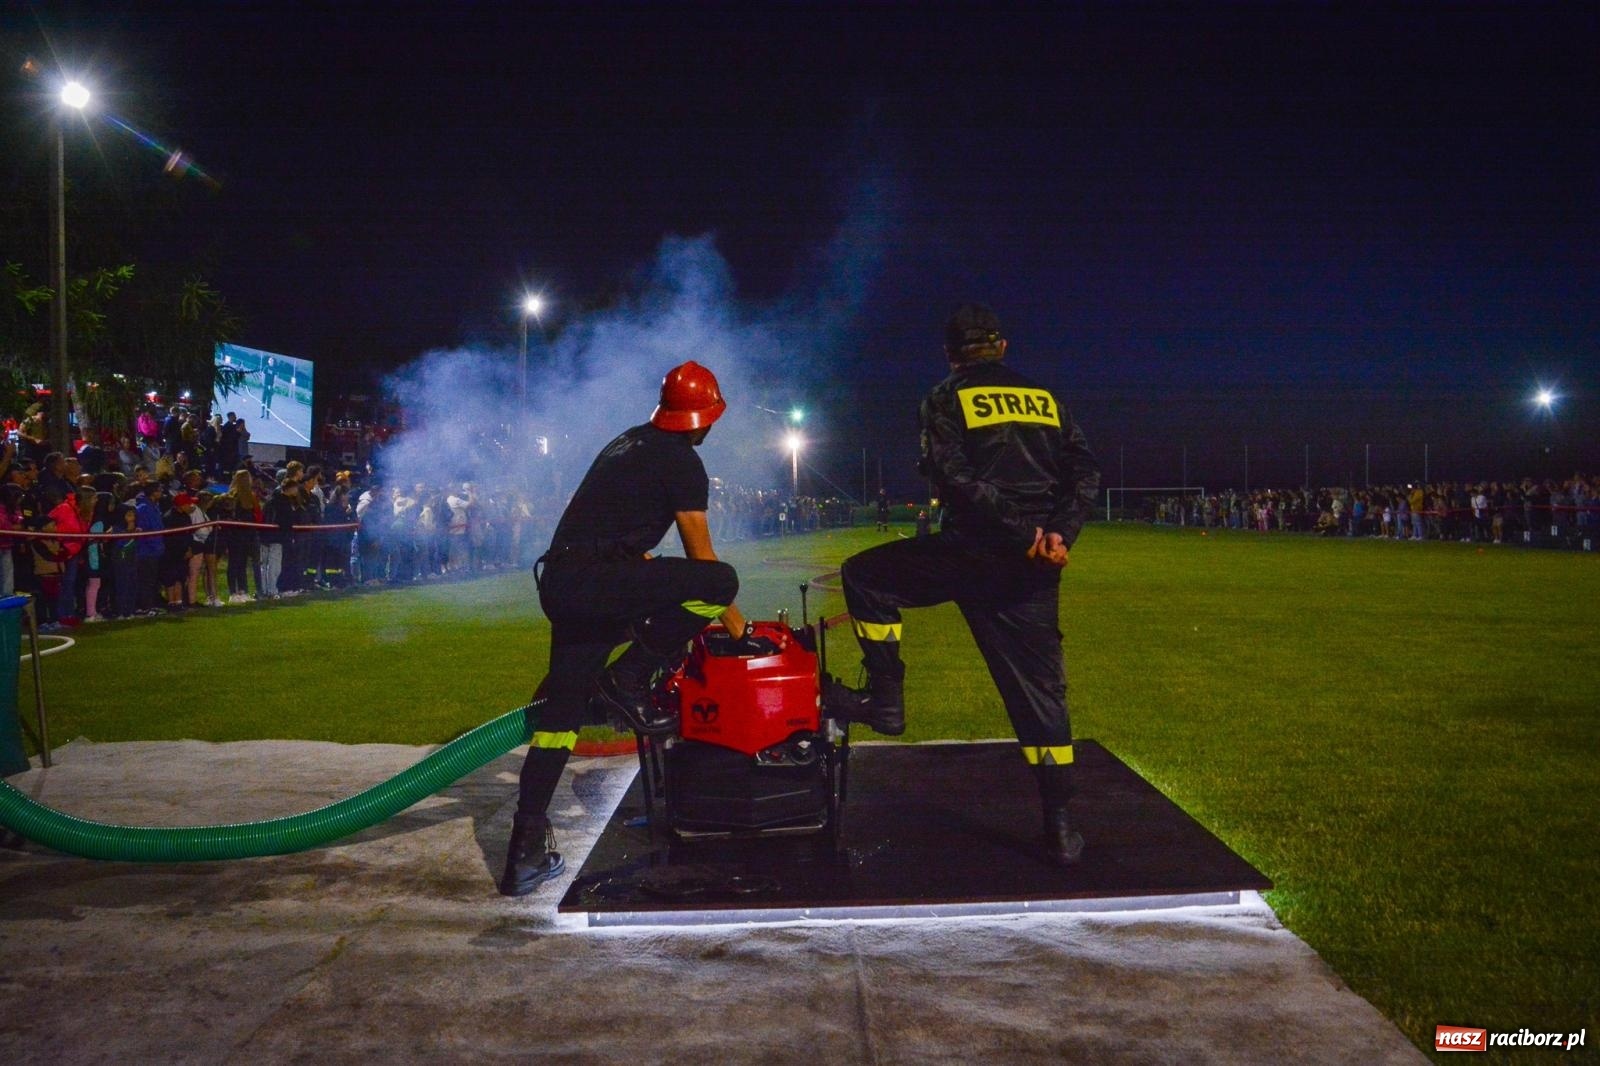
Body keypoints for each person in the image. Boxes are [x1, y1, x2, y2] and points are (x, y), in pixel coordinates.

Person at [824, 304, 1100, 867]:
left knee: (866, 577)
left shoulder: (947, 397)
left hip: (973, 552)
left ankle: (886, 701)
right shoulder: (1047, 399)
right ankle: (1061, 828)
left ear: (951, 355)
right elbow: (1085, 472)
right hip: (1032, 568)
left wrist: (1020, 531)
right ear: (1002, 347)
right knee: (1041, 695)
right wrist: (1056, 535)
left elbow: (953, 476)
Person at [500, 360, 746, 897]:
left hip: (565, 583)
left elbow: (611, 526)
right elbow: (700, 555)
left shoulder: (627, 442)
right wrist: (736, 625)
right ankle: (628, 680)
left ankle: (523, 853)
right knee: (719, 582)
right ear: (702, 418)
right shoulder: (682, 461)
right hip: (598, 581)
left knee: (559, 719)